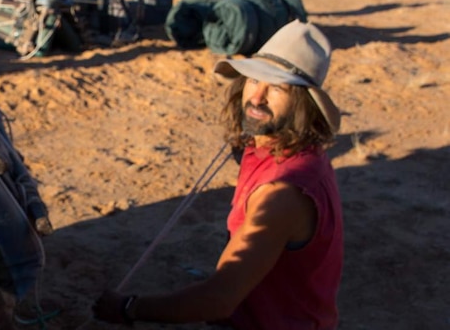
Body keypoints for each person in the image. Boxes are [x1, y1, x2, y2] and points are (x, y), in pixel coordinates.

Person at [93, 20, 344, 329]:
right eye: (253, 80)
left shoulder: (283, 193)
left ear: (303, 104)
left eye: (277, 88)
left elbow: (219, 300)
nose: (257, 97)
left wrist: (128, 308)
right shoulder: (284, 147)